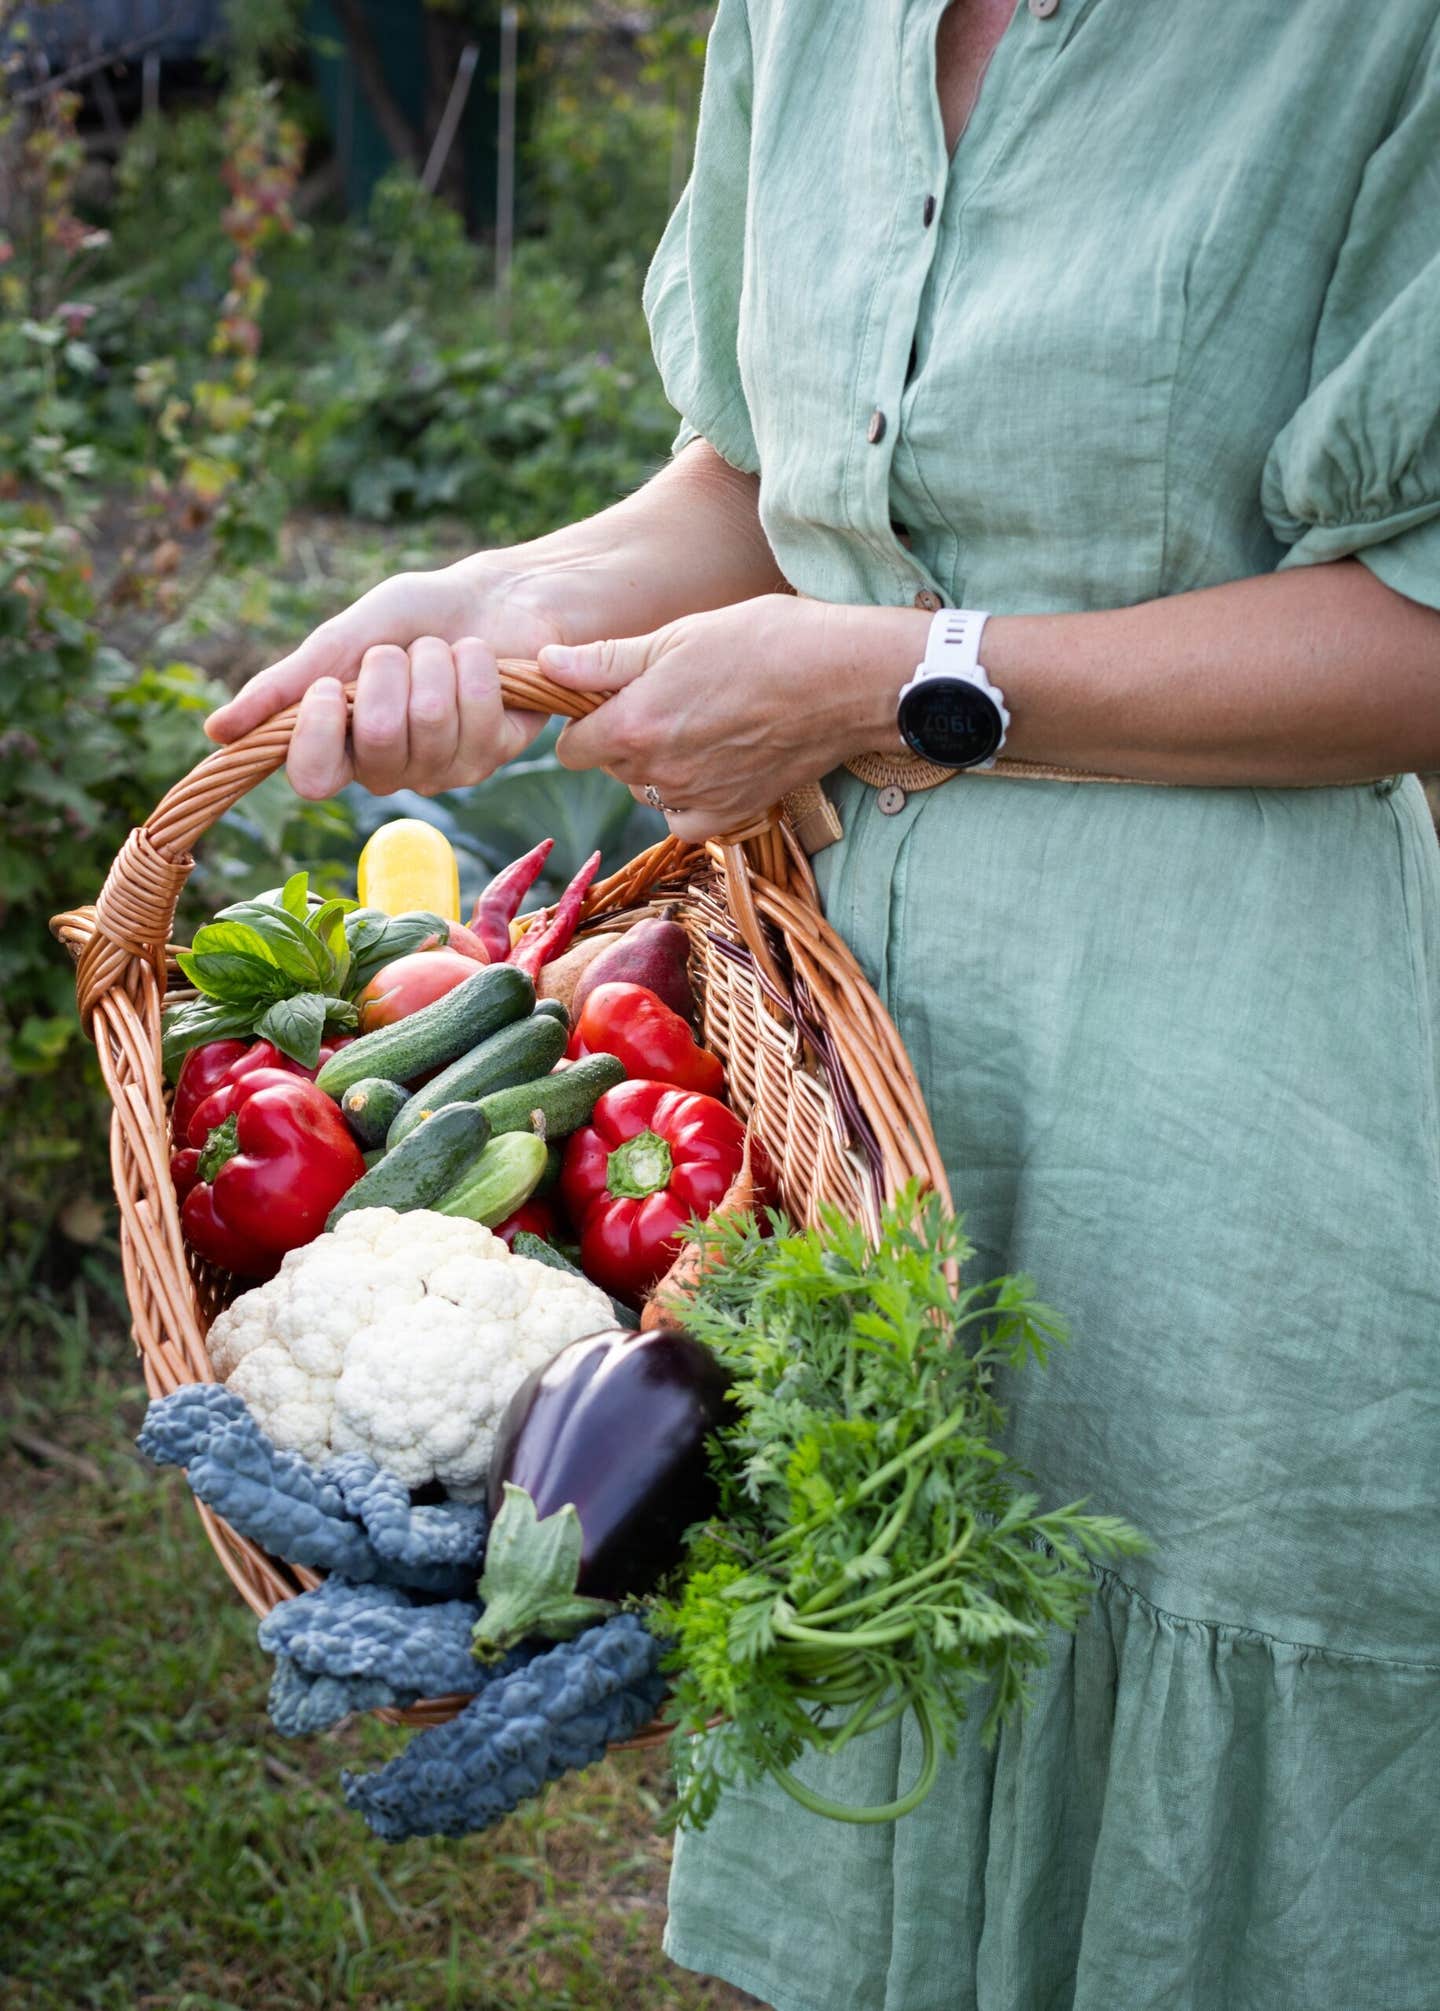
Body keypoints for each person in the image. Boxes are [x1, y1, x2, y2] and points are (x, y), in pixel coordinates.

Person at [208, 2, 1440, 2004]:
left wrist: (898, 673)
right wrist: (519, 596)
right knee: (887, 1724)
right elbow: (764, 480)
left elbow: (1421, 629)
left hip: (1232, 1123)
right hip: (817, 1084)